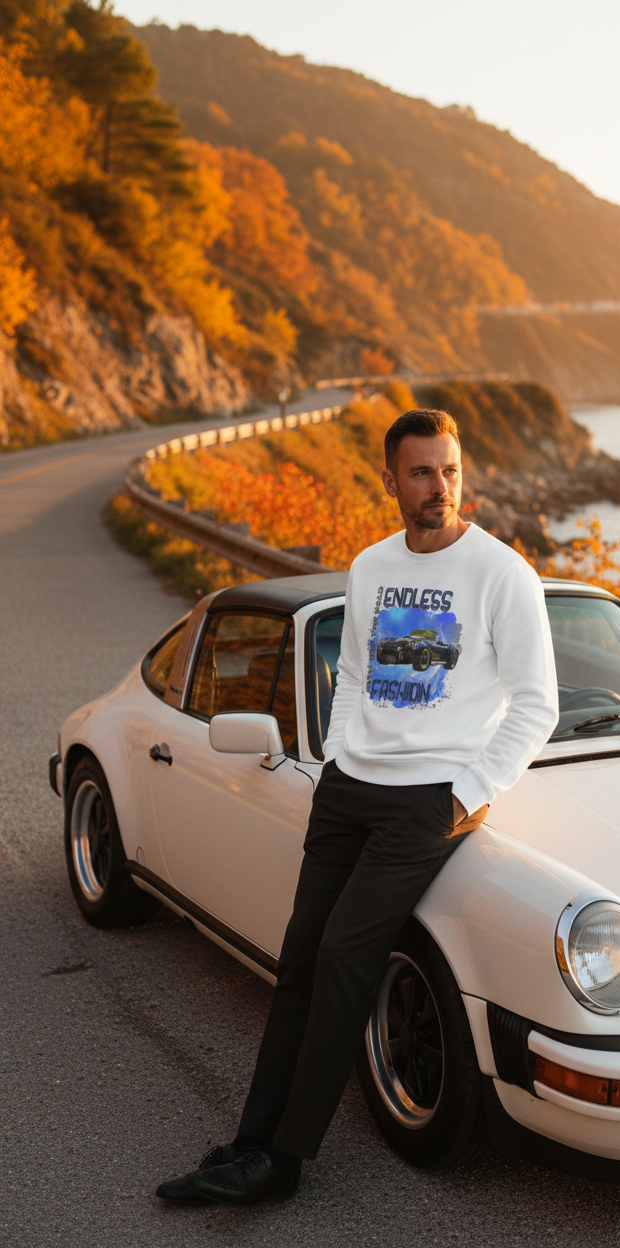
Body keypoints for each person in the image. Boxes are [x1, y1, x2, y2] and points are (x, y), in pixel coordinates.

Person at [157, 407, 558, 1206]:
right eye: (421, 473)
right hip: (348, 789)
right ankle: (249, 1140)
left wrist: (462, 798)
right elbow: (352, 672)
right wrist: (336, 756)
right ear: (390, 481)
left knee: (345, 958)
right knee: (299, 958)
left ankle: (284, 1161)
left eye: (449, 470)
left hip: (426, 802)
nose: (439, 487)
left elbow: (536, 704)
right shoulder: (371, 566)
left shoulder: (500, 572)